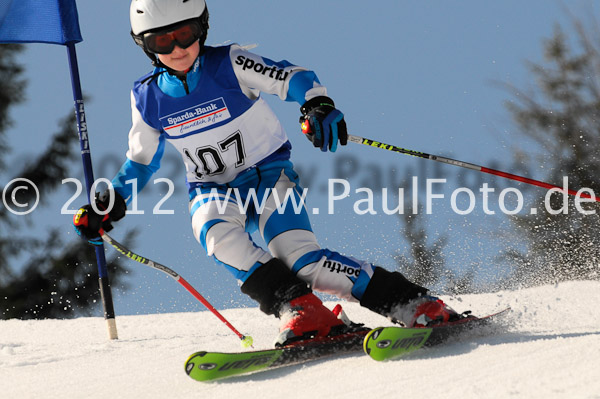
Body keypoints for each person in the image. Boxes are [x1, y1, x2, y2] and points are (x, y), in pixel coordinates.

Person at [73, 0, 465, 346]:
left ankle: (414, 303)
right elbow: (141, 160)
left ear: (202, 28)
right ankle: (301, 309)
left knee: (303, 262)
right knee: (215, 234)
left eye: (185, 34)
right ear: (143, 44)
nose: (177, 49)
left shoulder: (228, 63)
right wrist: (109, 202)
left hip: (268, 176)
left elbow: (290, 77)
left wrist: (317, 105)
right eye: (162, 41)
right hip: (211, 187)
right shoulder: (147, 97)